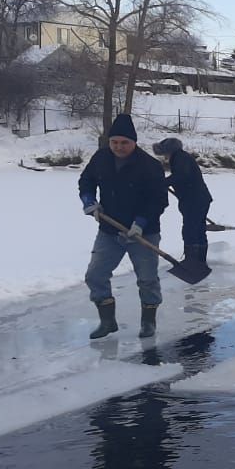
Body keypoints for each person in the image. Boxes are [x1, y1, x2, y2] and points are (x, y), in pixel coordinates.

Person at [79, 114, 169, 339]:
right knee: (95, 275)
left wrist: (141, 222)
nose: (118, 147)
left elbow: (158, 200)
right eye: (114, 142)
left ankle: (148, 322)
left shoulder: (150, 166)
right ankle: (107, 321)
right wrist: (89, 201)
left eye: (124, 143)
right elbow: (86, 180)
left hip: (143, 233)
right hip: (109, 230)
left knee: (147, 278)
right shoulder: (101, 158)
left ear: (134, 142)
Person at [154, 138, 213, 264]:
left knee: (190, 230)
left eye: (164, 153)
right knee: (198, 229)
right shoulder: (182, 157)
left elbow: (181, 176)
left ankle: (192, 261)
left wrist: (163, 183)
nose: (164, 156)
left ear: (169, 150)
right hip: (199, 198)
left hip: (194, 199)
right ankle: (199, 261)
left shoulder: (179, 158)